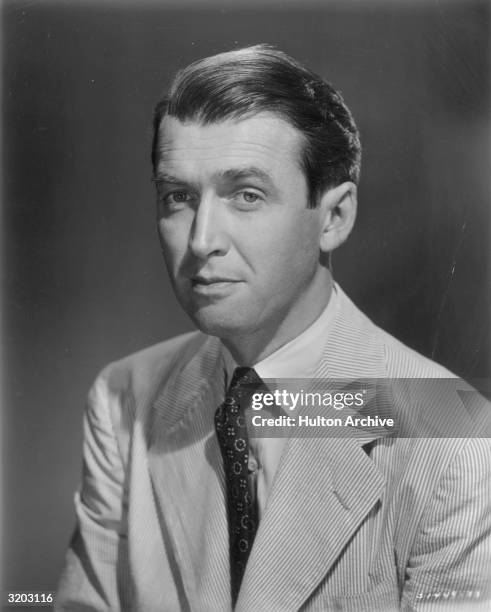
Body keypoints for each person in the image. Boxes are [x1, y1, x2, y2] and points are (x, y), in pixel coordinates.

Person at [56, 45, 491, 611]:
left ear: (334, 218)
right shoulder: (124, 400)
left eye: (247, 195)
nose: (201, 239)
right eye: (178, 197)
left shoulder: (456, 437)